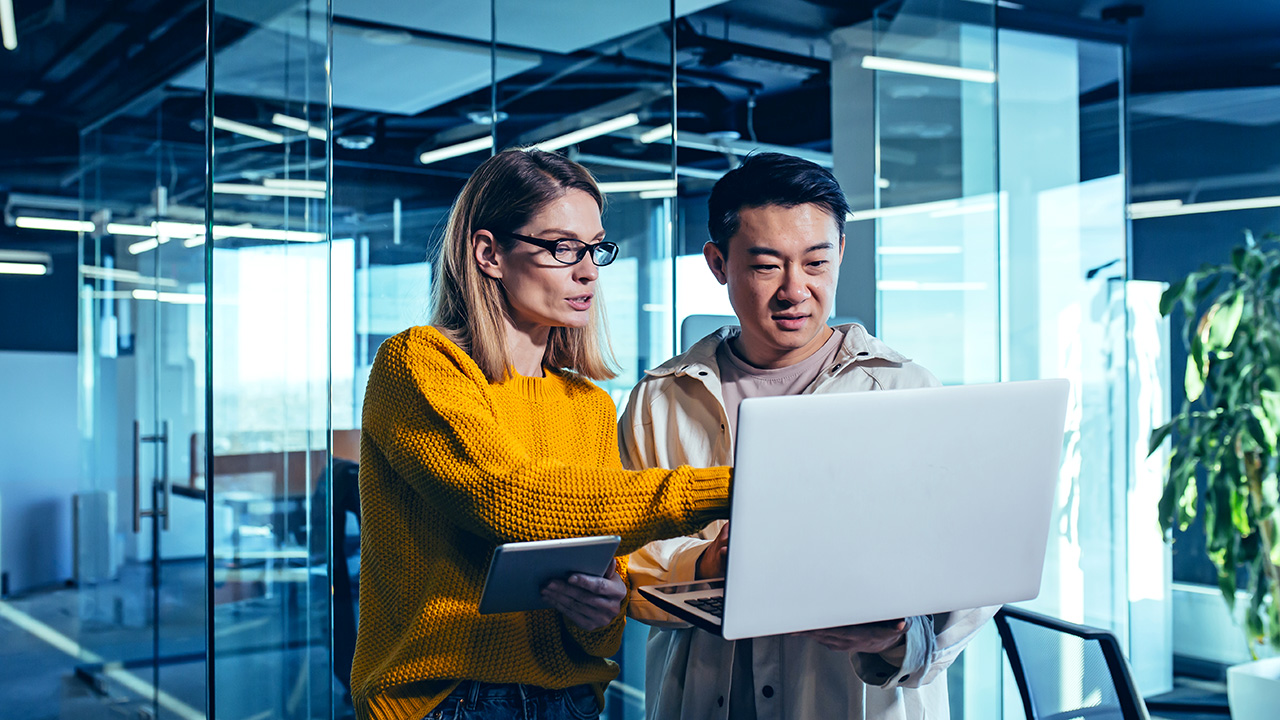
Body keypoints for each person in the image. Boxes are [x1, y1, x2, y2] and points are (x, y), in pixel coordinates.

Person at [351, 149, 733, 720]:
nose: (586, 271)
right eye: (562, 247)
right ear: (489, 254)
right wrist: (734, 486)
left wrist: (604, 606)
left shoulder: (590, 405)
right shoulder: (418, 363)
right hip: (447, 701)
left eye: (594, 249)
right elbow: (509, 497)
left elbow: (607, 596)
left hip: (570, 700)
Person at [621, 152, 997, 720]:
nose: (795, 290)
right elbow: (623, 556)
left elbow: (974, 568)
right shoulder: (661, 399)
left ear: (841, 253)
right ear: (718, 263)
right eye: (767, 266)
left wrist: (895, 638)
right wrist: (706, 566)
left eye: (816, 263)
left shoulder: (906, 389)